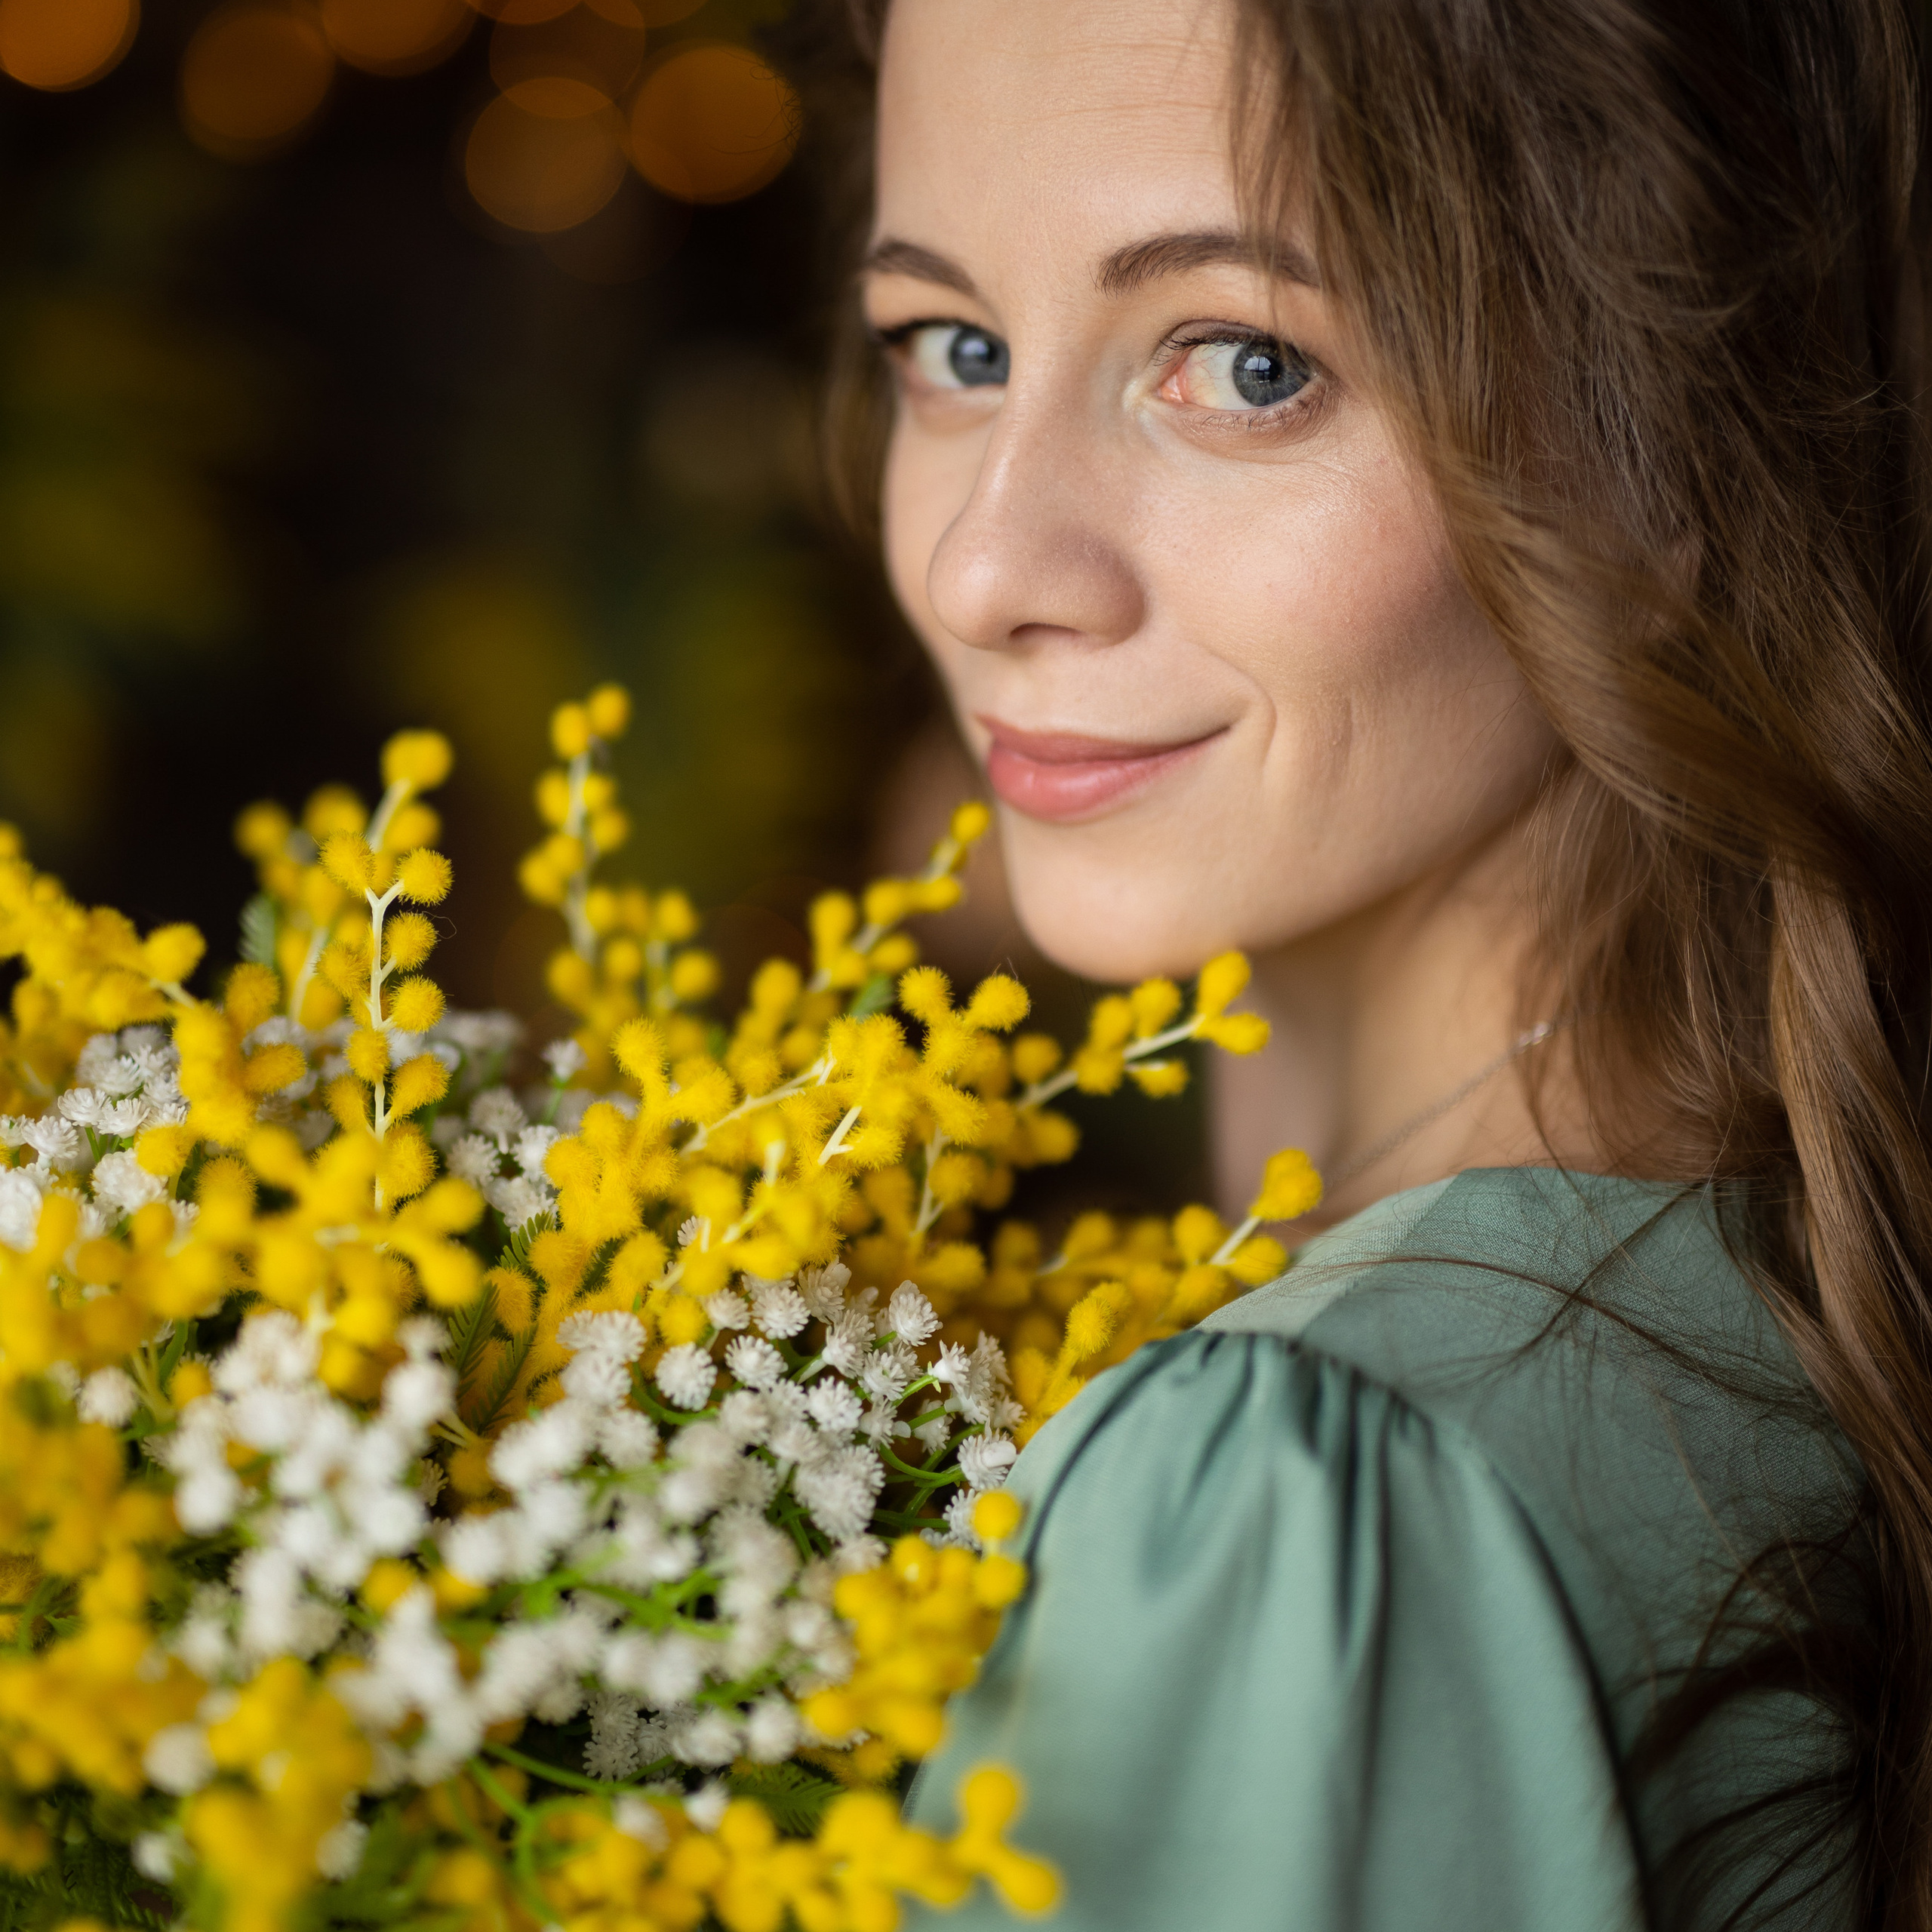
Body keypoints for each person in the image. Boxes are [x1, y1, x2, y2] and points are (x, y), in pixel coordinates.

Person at [825, 0, 1932, 1925]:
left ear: (1659, 439)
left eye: (1245, 363)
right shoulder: (1769, 1283)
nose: (984, 569)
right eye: (956, 348)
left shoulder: (1296, 1498)